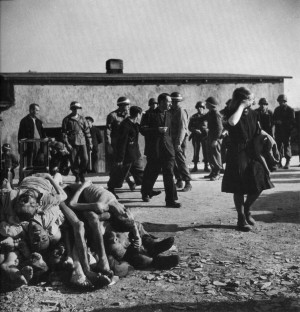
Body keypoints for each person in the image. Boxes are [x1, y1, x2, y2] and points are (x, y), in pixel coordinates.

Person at [222, 87, 274, 232]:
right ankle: (240, 217)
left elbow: (258, 130)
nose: (254, 101)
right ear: (242, 100)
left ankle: (247, 208)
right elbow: (232, 123)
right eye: (250, 99)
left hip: (252, 150)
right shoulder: (229, 112)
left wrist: (269, 137)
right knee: (238, 187)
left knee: (261, 181)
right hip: (236, 152)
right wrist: (241, 106)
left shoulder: (254, 113)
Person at [141, 93, 181, 208]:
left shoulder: (169, 114)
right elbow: (143, 130)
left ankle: (171, 200)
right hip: (155, 150)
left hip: (168, 150)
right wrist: (156, 130)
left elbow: (170, 133)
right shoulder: (149, 114)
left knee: (169, 174)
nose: (170, 104)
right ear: (162, 102)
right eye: (168, 101)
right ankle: (146, 192)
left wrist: (174, 146)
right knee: (151, 173)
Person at [107, 106, 145, 198]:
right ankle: (111, 190)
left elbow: (142, 130)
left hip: (135, 154)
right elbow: (122, 143)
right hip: (126, 155)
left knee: (140, 173)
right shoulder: (125, 125)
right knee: (119, 175)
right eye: (140, 114)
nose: (141, 116)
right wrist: (120, 158)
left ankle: (147, 192)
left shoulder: (134, 124)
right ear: (137, 114)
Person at [106, 97, 135, 190]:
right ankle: (112, 186)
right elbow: (108, 131)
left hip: (127, 145)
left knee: (127, 164)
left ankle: (129, 181)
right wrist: (109, 144)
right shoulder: (112, 116)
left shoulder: (129, 116)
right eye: (127, 105)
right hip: (116, 145)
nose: (129, 107)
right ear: (121, 105)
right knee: (117, 165)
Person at [61, 101, 92, 183]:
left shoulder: (83, 119)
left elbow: (87, 131)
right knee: (73, 161)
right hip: (72, 143)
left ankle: (82, 173)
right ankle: (77, 175)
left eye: (78, 108)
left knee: (85, 159)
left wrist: (90, 142)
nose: (76, 110)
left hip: (82, 142)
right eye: (74, 108)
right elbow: (64, 133)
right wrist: (67, 144)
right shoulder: (66, 120)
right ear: (71, 109)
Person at [170, 92, 192, 192]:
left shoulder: (181, 111)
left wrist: (178, 142)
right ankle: (179, 180)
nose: (175, 103)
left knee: (181, 160)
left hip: (179, 139)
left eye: (177, 101)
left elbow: (183, 128)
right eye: (173, 101)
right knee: (173, 160)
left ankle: (188, 182)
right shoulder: (171, 111)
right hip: (171, 139)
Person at [201, 97, 224, 181]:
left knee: (215, 154)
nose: (205, 104)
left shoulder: (216, 114)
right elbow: (202, 118)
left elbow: (220, 128)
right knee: (210, 154)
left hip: (215, 137)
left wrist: (215, 139)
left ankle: (217, 173)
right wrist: (193, 119)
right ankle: (213, 171)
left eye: (207, 103)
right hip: (210, 135)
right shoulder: (210, 113)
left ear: (211, 105)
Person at [18, 103, 46, 167]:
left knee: (38, 162)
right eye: (36, 110)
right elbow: (21, 135)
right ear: (31, 110)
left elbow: (43, 133)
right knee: (29, 163)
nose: (37, 112)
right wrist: (20, 148)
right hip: (29, 145)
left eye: (38, 110)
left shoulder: (39, 121)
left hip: (39, 144)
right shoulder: (24, 121)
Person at [273, 94, 295, 169]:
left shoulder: (290, 110)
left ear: (285, 101)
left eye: (282, 101)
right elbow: (273, 119)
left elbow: (292, 121)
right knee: (278, 147)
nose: (281, 103)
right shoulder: (277, 110)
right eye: (279, 101)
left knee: (287, 146)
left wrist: (283, 122)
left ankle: (287, 162)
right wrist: (276, 121)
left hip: (286, 131)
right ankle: (278, 162)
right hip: (278, 131)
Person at [188, 101, 209, 172]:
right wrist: (195, 130)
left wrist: (206, 130)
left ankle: (206, 166)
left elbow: (211, 126)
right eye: (198, 107)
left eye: (201, 107)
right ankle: (195, 166)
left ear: (203, 108)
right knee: (196, 151)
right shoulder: (193, 117)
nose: (199, 109)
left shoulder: (207, 116)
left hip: (205, 136)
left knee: (206, 151)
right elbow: (190, 127)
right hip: (196, 136)